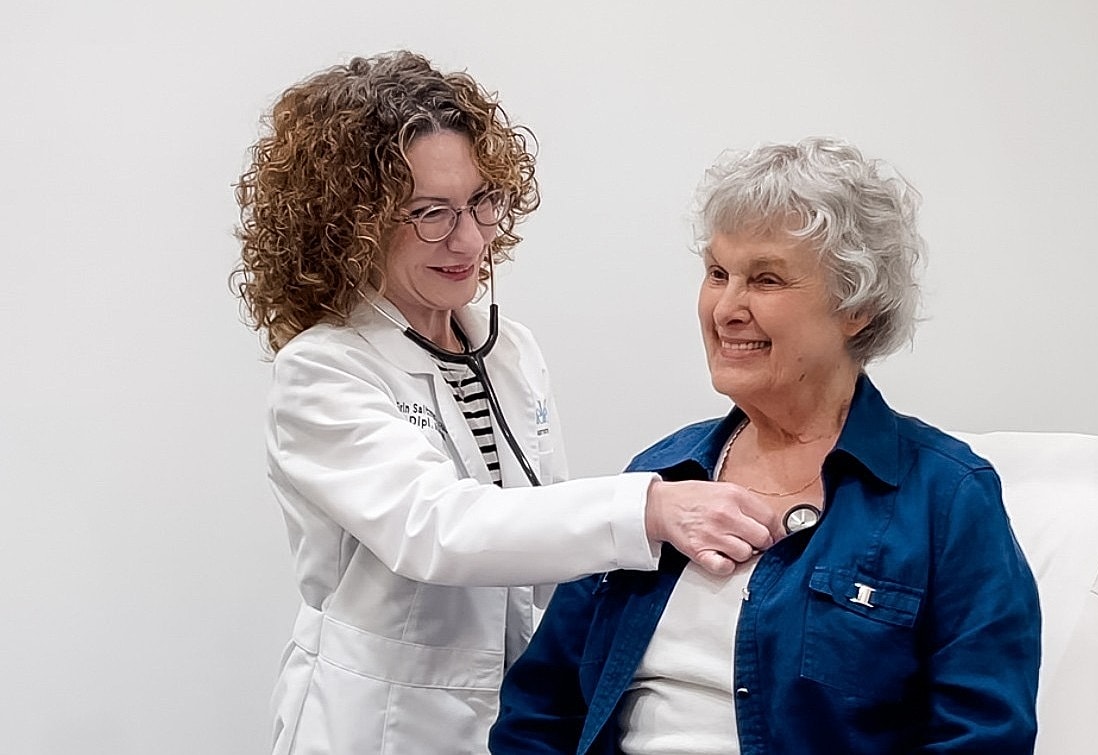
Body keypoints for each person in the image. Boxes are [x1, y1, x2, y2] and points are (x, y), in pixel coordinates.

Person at [232, 51, 776, 755]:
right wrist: (648, 507)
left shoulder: (506, 348)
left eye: (481, 203)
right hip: (381, 725)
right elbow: (438, 529)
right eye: (429, 213)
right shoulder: (325, 371)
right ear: (351, 224)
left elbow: (542, 538)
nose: (468, 240)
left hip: (511, 718)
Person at [491, 137, 1042, 754]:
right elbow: (540, 710)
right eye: (718, 273)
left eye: (767, 280)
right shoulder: (662, 475)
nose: (727, 308)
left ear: (854, 306)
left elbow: (983, 737)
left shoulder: (946, 499)